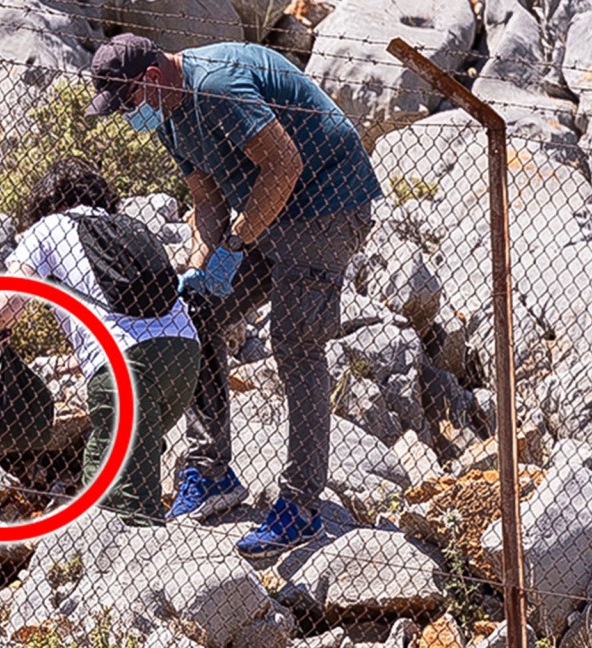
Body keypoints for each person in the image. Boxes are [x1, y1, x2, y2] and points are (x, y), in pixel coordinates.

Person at [84, 34, 383, 558]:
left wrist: (237, 243)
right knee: (195, 317)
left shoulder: (218, 86)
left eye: (128, 103)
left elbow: (284, 165)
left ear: (151, 79)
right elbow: (206, 198)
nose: (129, 117)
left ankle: (302, 506)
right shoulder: (168, 113)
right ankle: (211, 470)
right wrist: (201, 269)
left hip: (326, 204)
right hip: (266, 212)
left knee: (295, 345)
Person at [0, 157, 201, 526]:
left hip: (125, 370)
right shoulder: (129, 226)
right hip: (183, 357)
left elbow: (8, 302)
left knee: (121, 503)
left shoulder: (50, 227)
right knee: (104, 468)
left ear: (47, 200)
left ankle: (136, 571)